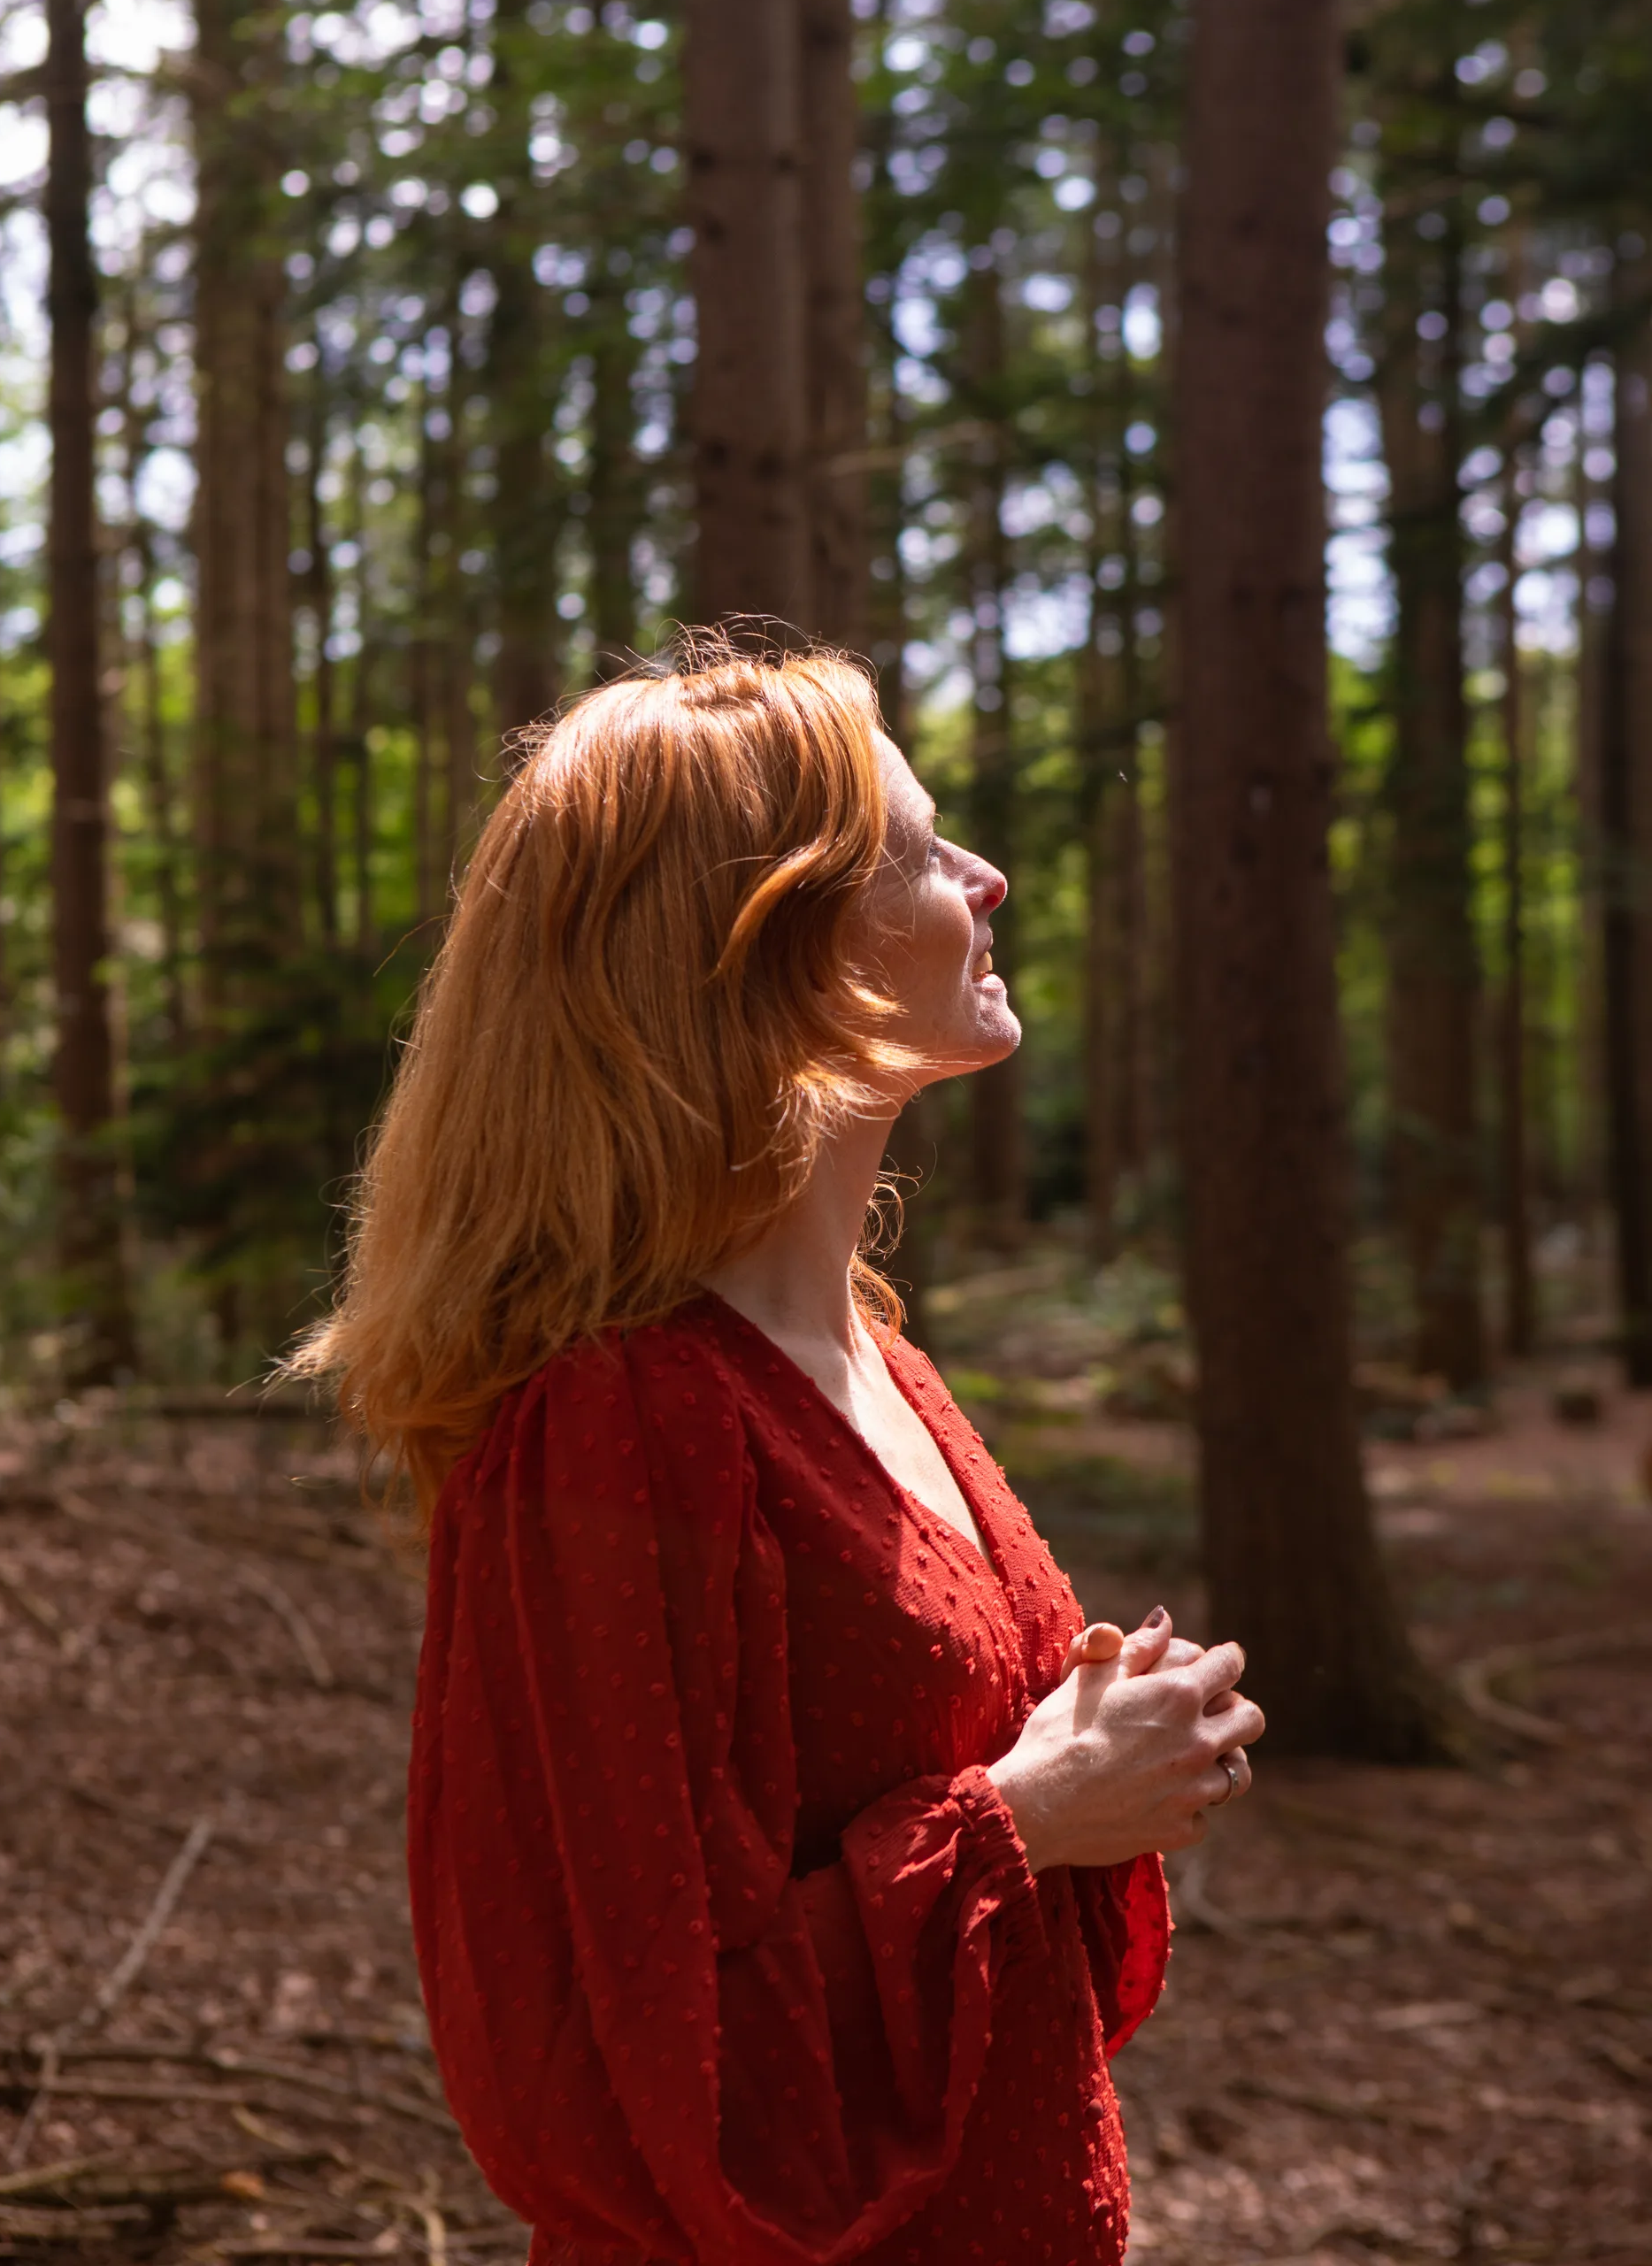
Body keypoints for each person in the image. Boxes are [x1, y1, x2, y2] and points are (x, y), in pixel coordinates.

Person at [297, 640, 1265, 2266]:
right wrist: (1025, 1813)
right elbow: (603, 2070)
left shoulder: (884, 1368)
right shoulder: (622, 1422)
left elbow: (991, 1939)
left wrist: (1108, 1755)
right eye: (923, 852)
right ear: (770, 948)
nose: (992, 880)